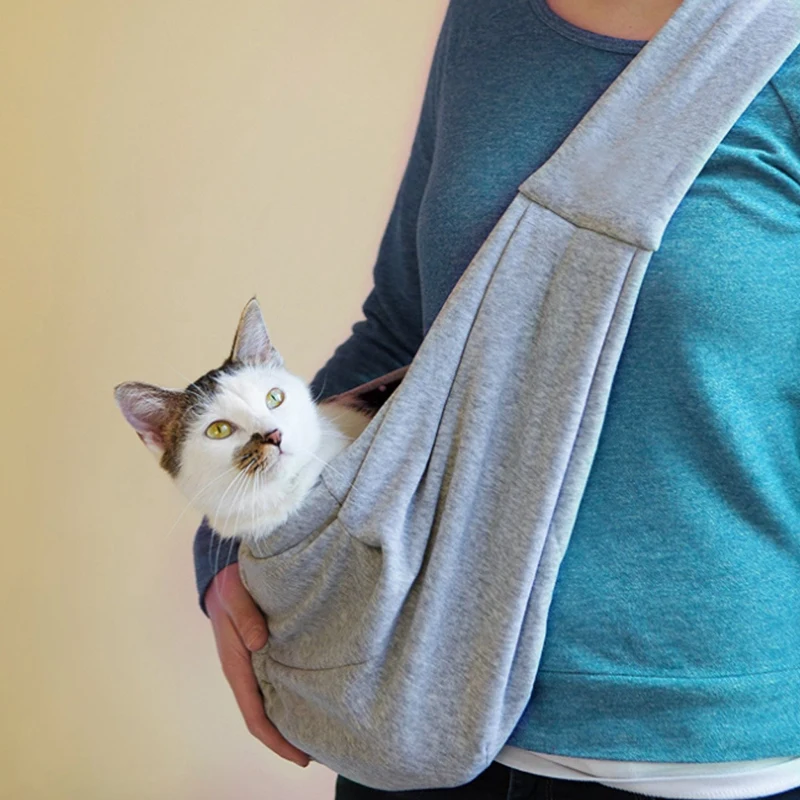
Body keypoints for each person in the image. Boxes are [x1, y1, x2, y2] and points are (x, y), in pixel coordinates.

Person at [193, 0, 800, 797]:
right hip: (408, 707)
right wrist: (233, 543)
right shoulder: (487, 18)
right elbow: (404, 333)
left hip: (705, 750)